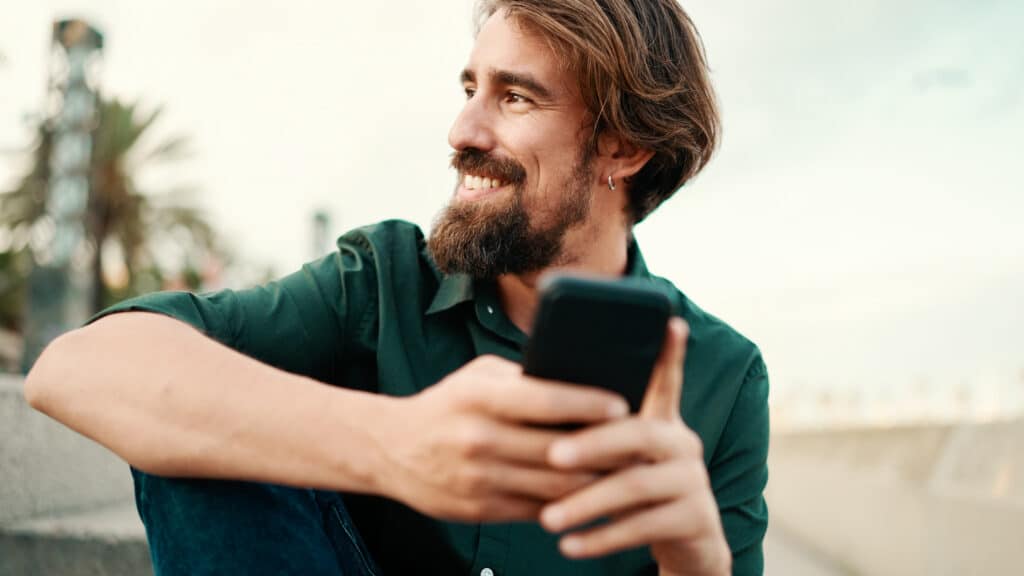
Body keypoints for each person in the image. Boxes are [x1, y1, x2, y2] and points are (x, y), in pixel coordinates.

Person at [25, 1, 769, 574]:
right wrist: (396, 445)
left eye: (514, 98)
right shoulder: (380, 279)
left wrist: (694, 557)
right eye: (471, 87)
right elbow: (74, 369)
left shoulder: (723, 376)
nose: (461, 130)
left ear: (623, 147)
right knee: (200, 430)